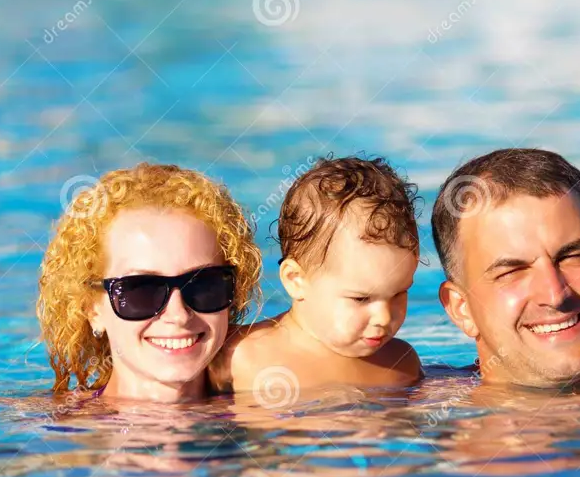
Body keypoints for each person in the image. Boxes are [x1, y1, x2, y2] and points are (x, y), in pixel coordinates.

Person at [38, 162, 262, 403]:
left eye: (203, 285)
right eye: (142, 290)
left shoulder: (271, 408)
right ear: (92, 309)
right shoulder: (54, 430)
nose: (179, 315)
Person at [210, 155, 423, 396]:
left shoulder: (401, 363)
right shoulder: (238, 358)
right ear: (296, 280)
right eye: (361, 299)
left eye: (399, 293)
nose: (384, 318)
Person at [431, 148, 580, 391]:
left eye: (572, 257)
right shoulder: (398, 418)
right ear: (462, 309)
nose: (555, 294)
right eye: (511, 272)